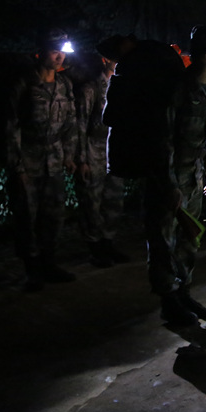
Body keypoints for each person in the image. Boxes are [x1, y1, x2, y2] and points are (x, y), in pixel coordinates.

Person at [99, 33, 198, 324]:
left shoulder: (142, 72)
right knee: (163, 236)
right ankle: (171, 300)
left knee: (172, 237)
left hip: (163, 163)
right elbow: (154, 132)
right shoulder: (154, 74)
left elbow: (114, 117)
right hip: (159, 164)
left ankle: (179, 295)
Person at [6, 28, 78, 291]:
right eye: (54, 50)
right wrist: (17, 165)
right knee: (27, 216)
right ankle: (32, 269)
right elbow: (12, 126)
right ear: (42, 52)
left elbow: (71, 122)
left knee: (54, 215)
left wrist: (69, 155)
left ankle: (49, 263)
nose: (59, 56)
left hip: (55, 159)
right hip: (29, 160)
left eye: (62, 51)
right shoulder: (24, 84)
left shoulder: (64, 84)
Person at [167, 26, 206, 318]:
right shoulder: (179, 88)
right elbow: (163, 139)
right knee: (168, 239)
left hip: (193, 176)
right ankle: (169, 302)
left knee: (189, 239)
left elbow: (204, 139)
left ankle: (183, 293)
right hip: (173, 178)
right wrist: (169, 183)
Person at [74, 54, 128, 268]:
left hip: (113, 152)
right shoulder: (91, 89)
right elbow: (80, 126)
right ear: (105, 60)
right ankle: (95, 247)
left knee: (114, 201)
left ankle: (108, 242)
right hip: (93, 152)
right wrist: (81, 159)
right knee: (92, 202)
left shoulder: (122, 87)